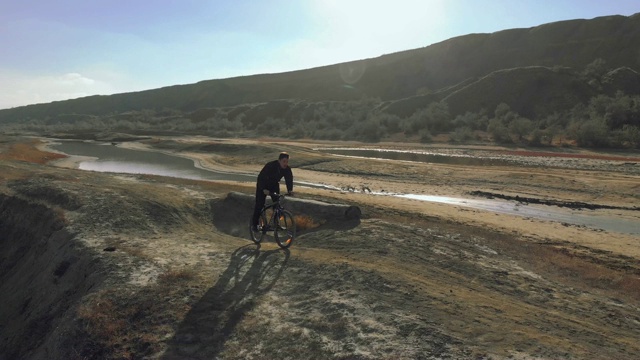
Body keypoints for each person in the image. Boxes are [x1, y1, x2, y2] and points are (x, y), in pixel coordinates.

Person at [251, 152, 294, 231]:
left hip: (274, 185)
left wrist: (290, 190)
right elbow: (261, 177)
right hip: (263, 185)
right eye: (284, 161)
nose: (285, 163)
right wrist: (263, 189)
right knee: (259, 205)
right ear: (279, 161)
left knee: (277, 204)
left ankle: (276, 223)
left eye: (287, 162)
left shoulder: (287, 169)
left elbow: (289, 179)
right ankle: (254, 225)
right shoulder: (270, 166)